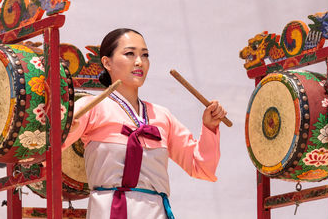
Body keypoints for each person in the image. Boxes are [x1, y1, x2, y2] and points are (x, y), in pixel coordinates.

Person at [62, 28, 227, 219]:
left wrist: (210, 127)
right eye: (130, 53)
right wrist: (65, 128)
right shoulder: (92, 107)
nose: (139, 61)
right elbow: (51, 148)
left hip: (155, 212)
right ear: (107, 62)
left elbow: (201, 167)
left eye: (145, 55)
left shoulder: (162, 116)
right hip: (110, 210)